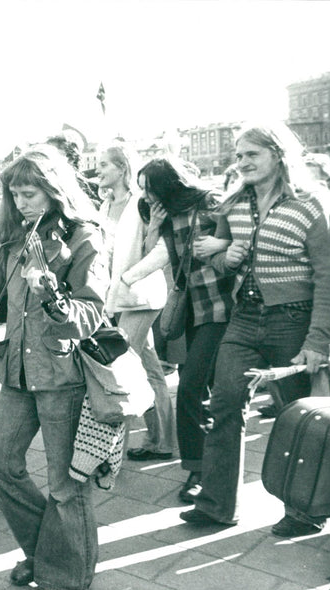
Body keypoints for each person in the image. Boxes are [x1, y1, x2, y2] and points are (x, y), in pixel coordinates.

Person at [0, 145, 109, 590]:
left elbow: (90, 313)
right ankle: (45, 549)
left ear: (54, 190)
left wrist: (53, 297)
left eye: (30, 194)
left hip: (63, 374)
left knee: (67, 486)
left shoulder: (84, 237)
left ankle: (67, 579)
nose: (22, 203)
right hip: (17, 372)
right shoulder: (13, 233)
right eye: (15, 194)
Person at [180, 124, 330, 535]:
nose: (242, 162)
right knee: (225, 405)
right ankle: (217, 505)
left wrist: (318, 339)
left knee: (298, 417)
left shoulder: (311, 204)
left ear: (279, 154)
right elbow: (215, 259)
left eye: (252, 154)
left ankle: (304, 511)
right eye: (238, 155)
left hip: (295, 321)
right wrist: (225, 258)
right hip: (244, 319)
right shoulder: (233, 204)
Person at [137, 157, 235, 504]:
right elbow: (150, 260)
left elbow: (241, 239)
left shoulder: (209, 202)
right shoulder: (164, 214)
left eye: (150, 188)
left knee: (191, 387)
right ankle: (205, 466)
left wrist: (219, 245)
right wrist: (153, 227)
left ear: (169, 184)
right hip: (190, 310)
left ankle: (197, 470)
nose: (146, 196)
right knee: (199, 388)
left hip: (220, 307)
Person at [96, 143, 174, 463]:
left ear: (122, 169)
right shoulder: (104, 205)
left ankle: (113, 449)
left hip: (141, 294)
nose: (98, 171)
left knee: (123, 367)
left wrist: (154, 227)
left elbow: (154, 252)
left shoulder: (139, 203)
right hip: (119, 295)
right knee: (149, 368)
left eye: (104, 165)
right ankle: (162, 439)